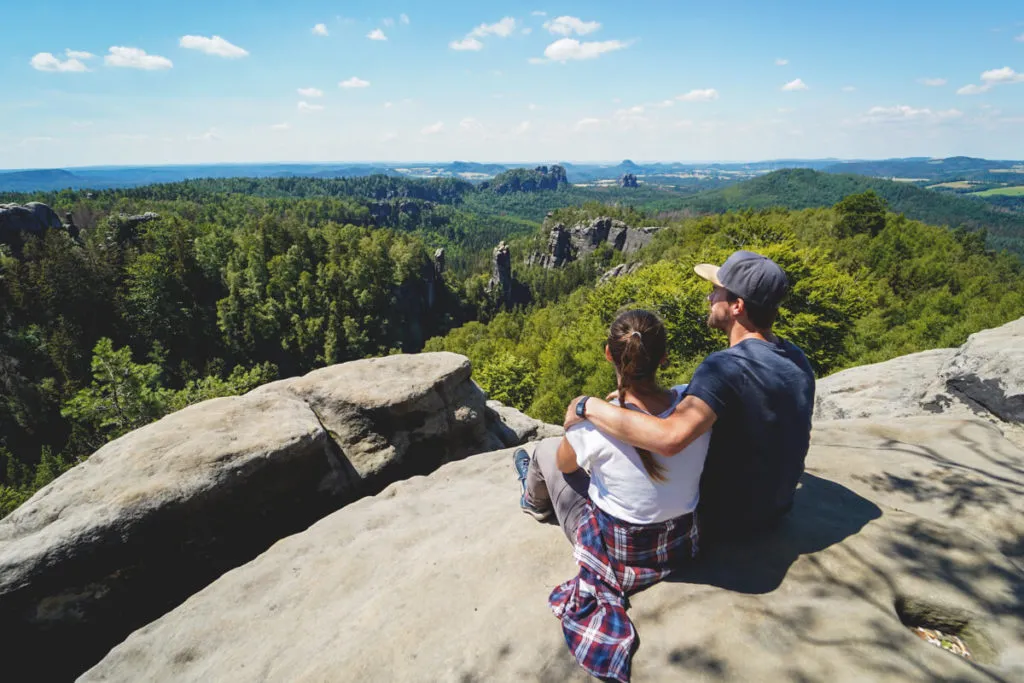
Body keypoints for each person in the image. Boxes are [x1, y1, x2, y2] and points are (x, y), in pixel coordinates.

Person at [513, 309, 711, 683]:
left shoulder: (592, 426)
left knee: (545, 453)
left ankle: (532, 500)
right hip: (680, 546)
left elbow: (568, 467)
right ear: (664, 358)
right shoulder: (693, 407)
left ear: (609, 354)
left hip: (619, 554)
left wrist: (589, 415)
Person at [562, 250, 816, 542]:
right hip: (775, 510)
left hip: (725, 521)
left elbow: (669, 439)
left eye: (716, 292)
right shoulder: (797, 359)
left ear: (737, 306)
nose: (709, 299)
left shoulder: (725, 367)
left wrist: (587, 405)